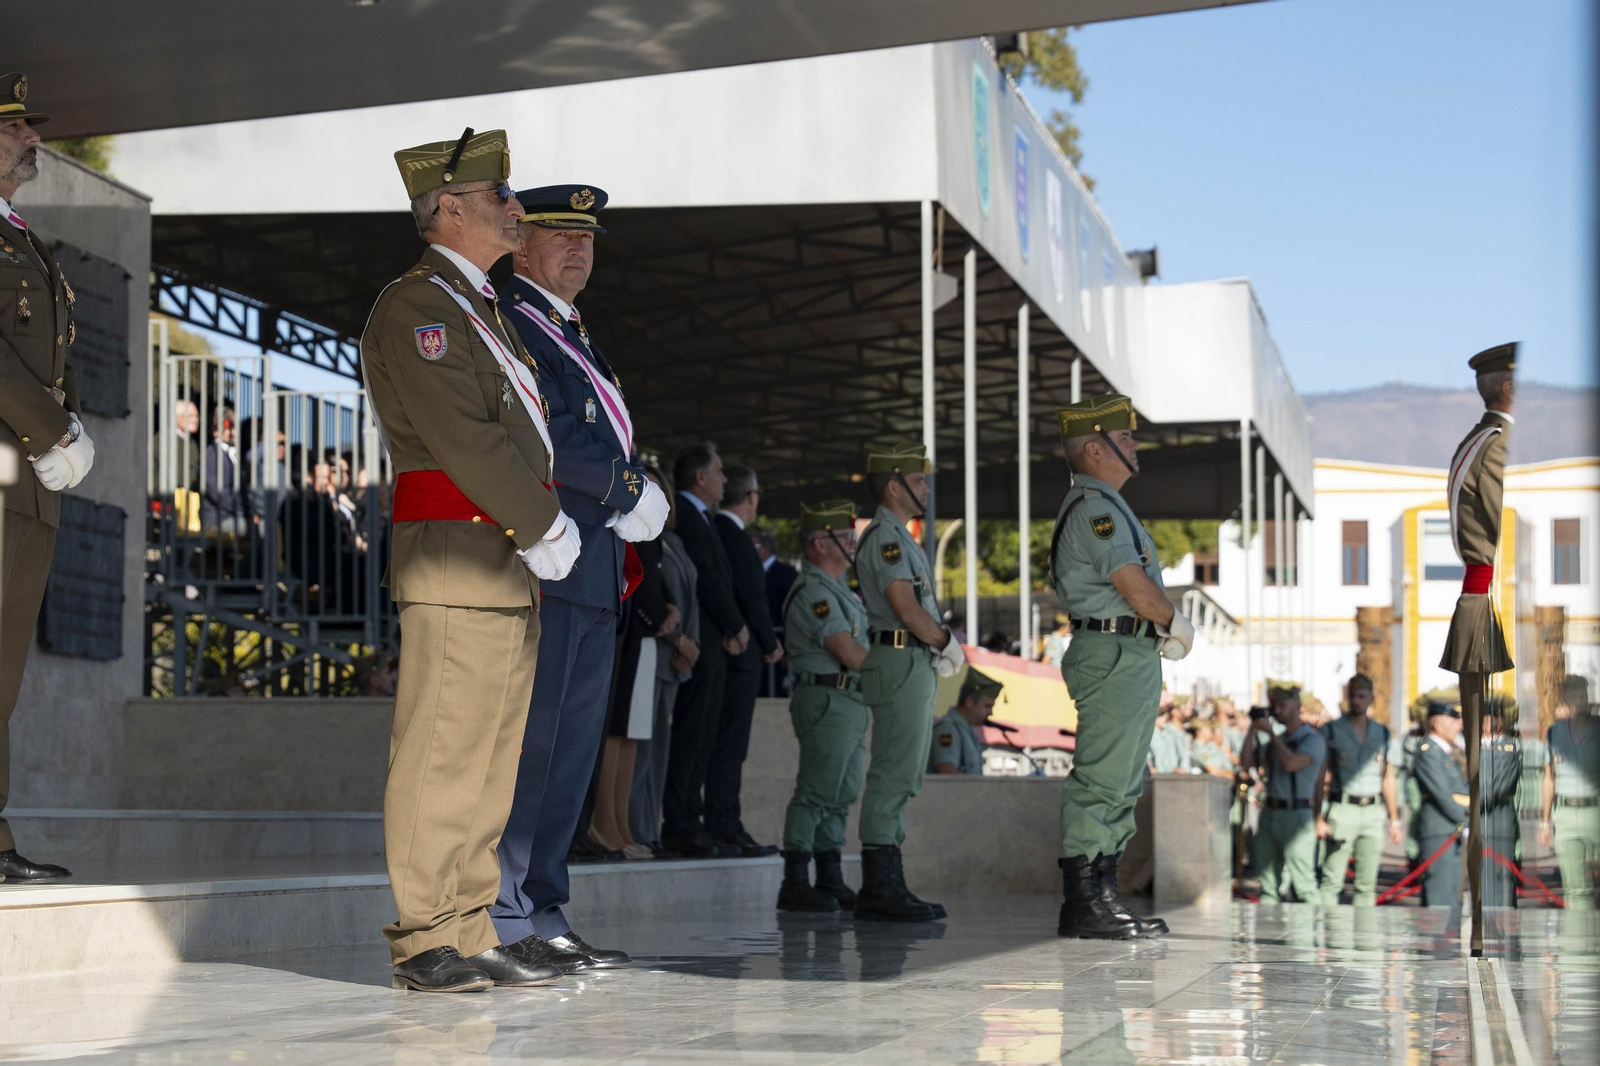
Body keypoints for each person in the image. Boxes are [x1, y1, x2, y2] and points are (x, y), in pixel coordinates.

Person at [361, 128, 580, 992]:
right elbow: (465, 436)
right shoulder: (418, 306)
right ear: (446, 207)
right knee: (442, 754)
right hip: (459, 556)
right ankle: (424, 935)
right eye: (498, 197)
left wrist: (533, 530)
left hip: (499, 561)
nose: (514, 208)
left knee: (488, 762)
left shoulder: (477, 308)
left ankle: (467, 920)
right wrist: (542, 521)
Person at [491, 183, 665, 966]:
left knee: (570, 749)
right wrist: (626, 488)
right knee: (534, 743)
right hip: (546, 554)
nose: (578, 250)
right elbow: (544, 428)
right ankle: (507, 912)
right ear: (519, 242)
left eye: (587, 238)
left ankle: (546, 908)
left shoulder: (572, 331)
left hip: (592, 566)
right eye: (560, 234)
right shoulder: (513, 321)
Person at [1048, 396, 1193, 938]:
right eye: (1124, 438)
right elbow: (1133, 586)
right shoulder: (1096, 508)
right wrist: (1175, 621)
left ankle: (1102, 895)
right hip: (1113, 648)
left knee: (1123, 780)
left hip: (1127, 650)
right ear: (1094, 449)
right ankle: (1085, 902)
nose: (1134, 446)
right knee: (1103, 779)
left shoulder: (1108, 504)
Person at [0, 71, 93, 884]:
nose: (33, 139)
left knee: (3, 666)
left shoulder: (17, 234)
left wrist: (68, 426)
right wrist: (53, 428)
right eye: (15, 127)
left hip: (23, 482)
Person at [852, 441, 966, 921]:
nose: (925, 490)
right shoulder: (887, 537)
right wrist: (945, 641)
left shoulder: (902, 535)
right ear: (894, 485)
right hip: (900, 658)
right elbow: (906, 607)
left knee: (904, 774)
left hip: (910, 660)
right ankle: (880, 885)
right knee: (893, 773)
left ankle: (889, 877)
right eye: (918, 481)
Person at [1439, 343, 1516, 937]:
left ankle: (1484, 920)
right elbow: (1499, 521)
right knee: (1478, 771)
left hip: (1486, 601)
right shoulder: (1496, 446)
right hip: (1488, 604)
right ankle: (1483, 923)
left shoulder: (1479, 438)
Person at [776, 500, 870, 913]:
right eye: (844, 537)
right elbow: (847, 650)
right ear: (818, 544)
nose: (853, 543)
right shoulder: (814, 592)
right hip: (826, 696)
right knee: (816, 791)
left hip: (848, 698)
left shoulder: (837, 592)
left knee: (841, 791)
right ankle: (795, 880)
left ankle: (829, 875)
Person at [662, 441, 749, 858]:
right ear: (700, 477)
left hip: (712, 646)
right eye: (718, 471)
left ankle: (690, 818)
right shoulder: (687, 518)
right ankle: (680, 821)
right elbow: (709, 583)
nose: (725, 479)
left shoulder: (702, 517)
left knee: (702, 739)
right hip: (704, 644)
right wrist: (736, 625)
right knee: (691, 737)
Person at [707, 465, 782, 856]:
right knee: (731, 745)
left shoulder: (719, 530)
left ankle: (725, 819)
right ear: (750, 497)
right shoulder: (733, 535)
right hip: (740, 656)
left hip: (732, 654)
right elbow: (753, 597)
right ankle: (724, 821)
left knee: (727, 744)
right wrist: (770, 642)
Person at [630, 479, 700, 853]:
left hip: (672, 659)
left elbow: (684, 600)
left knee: (658, 752)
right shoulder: (644, 539)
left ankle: (649, 830)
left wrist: (691, 644)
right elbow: (653, 597)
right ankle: (638, 830)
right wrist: (679, 641)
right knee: (640, 752)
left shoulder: (674, 543)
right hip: (656, 651)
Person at [1313, 675, 1401, 906]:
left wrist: (1394, 819)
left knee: (1367, 886)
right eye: (1352, 696)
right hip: (1342, 808)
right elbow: (1319, 776)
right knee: (1331, 881)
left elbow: (1388, 778)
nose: (1356, 701)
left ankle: (1365, 940)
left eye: (1361, 696)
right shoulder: (1331, 730)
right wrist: (1318, 817)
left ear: (1371, 698)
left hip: (1373, 811)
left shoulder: (1382, 733)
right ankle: (1326, 938)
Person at [1242, 685, 1326, 905]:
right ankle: (1270, 935)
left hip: (1297, 813)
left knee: (1304, 883)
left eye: (1283, 705)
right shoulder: (1275, 741)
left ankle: (1308, 936)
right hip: (1271, 813)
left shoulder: (1312, 739)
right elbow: (1246, 763)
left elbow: (1291, 763)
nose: (1277, 711)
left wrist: (1269, 733)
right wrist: (1253, 729)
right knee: (1269, 886)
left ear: (1297, 706)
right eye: (1274, 706)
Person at [1540, 676, 1599, 909]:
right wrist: (1545, 822)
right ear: (1564, 698)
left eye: (1582, 694)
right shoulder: (1554, 733)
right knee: (1575, 890)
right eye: (1573, 694)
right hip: (1565, 815)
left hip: (1595, 810)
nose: (1578, 700)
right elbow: (1548, 777)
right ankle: (1576, 943)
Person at [1412, 702, 1470, 908]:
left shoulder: (1448, 750)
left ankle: (1448, 939)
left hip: (1453, 829)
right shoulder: (1429, 751)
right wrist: (1467, 819)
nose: (1459, 726)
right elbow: (1442, 794)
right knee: (1440, 899)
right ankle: (1438, 941)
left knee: (1454, 896)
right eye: (1454, 721)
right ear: (1437, 724)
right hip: (1440, 832)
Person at [1480, 699, 1521, 909]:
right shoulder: (1474, 745)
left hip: (1497, 824)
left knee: (1500, 892)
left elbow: (1494, 788)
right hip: (1477, 825)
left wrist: (1463, 804)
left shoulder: (1506, 747)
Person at [929, 670, 1002, 776]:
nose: (990, 712)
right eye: (987, 706)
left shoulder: (966, 730)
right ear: (969, 702)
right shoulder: (948, 730)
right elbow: (946, 770)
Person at [755, 529, 798, 697]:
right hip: (759, 648)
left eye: (754, 545)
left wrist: (787, 653)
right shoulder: (752, 571)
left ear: (766, 548)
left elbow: (791, 612)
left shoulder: (785, 573)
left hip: (779, 650)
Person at [201, 406, 247, 535]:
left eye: (235, 426)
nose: (233, 431)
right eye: (228, 426)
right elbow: (216, 491)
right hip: (217, 518)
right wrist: (241, 510)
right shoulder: (211, 454)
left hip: (233, 515)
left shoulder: (234, 455)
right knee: (257, 529)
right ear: (216, 430)